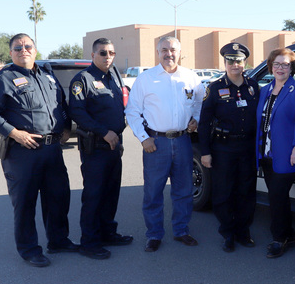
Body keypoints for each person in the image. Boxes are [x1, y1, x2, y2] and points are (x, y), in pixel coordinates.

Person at [0, 33, 77, 267]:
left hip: (52, 149)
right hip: (23, 151)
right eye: (17, 48)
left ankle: (58, 240)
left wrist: (65, 128)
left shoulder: (47, 76)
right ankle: (29, 249)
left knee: (59, 197)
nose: (23, 50)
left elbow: (60, 105)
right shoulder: (3, 79)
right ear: (11, 53)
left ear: (35, 50)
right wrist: (15, 133)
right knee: (25, 202)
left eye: (27, 46)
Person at [125, 36, 205, 252]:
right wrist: (143, 138)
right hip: (156, 143)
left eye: (173, 50)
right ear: (157, 52)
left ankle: (181, 230)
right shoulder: (146, 79)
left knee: (184, 190)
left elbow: (198, 101)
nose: (169, 53)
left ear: (180, 52)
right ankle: (154, 234)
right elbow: (132, 111)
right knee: (153, 192)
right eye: (164, 50)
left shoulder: (191, 77)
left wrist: (195, 119)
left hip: (182, 142)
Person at [69, 38, 133, 260]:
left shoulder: (114, 76)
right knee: (94, 195)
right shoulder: (83, 80)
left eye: (112, 53)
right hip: (95, 147)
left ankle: (108, 233)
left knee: (111, 193)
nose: (108, 57)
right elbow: (77, 112)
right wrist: (104, 131)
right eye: (103, 53)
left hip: (114, 146)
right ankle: (89, 242)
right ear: (93, 54)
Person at [197, 43, 259, 252]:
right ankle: (227, 233)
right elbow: (204, 122)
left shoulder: (253, 86)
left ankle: (243, 232)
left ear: (244, 63)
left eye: (239, 60)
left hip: (247, 147)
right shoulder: (214, 88)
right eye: (230, 60)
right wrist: (205, 152)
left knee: (246, 191)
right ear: (224, 63)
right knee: (223, 192)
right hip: (223, 148)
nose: (235, 64)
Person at [256, 48, 295, 258]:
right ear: (270, 67)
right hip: (267, 153)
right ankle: (290, 234)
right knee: (278, 196)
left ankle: (279, 239)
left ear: (292, 68)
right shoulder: (265, 90)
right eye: (276, 64)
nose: (280, 68)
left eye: (285, 64)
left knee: (277, 196)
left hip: (289, 154)